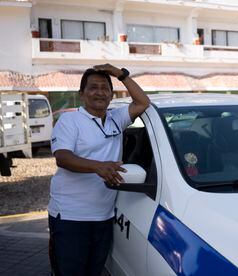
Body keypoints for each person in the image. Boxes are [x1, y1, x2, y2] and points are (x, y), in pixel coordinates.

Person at [48, 64, 150, 276]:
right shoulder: (70, 120)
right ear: (82, 94)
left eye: (105, 88)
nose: (100, 92)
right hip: (71, 217)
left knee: (94, 272)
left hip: (103, 216)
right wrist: (98, 167)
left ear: (111, 95)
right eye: (93, 87)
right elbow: (63, 158)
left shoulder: (116, 119)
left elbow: (143, 102)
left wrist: (120, 74)